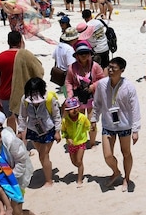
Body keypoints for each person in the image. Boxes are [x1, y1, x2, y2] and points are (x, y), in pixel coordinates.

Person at [91, 56, 141, 191]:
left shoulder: (129, 87)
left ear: (122, 70)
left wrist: (136, 130)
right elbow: (97, 103)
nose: (110, 70)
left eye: (114, 68)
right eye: (109, 67)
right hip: (108, 125)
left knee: (126, 152)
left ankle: (127, 178)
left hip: (124, 125)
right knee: (107, 155)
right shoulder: (102, 84)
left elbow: (135, 108)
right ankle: (116, 171)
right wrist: (94, 119)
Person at [16, 77, 62, 187]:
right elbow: (22, 116)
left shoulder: (50, 99)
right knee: (43, 155)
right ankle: (48, 167)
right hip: (33, 130)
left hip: (48, 130)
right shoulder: (24, 100)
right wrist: (20, 130)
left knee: (42, 155)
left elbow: (56, 115)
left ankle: (48, 180)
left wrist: (57, 131)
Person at [66, 40, 105, 148]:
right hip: (78, 99)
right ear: (76, 55)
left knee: (91, 120)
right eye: (81, 53)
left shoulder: (95, 66)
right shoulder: (72, 68)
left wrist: (93, 86)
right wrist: (70, 95)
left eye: (86, 53)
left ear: (89, 54)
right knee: (79, 121)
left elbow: (102, 79)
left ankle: (92, 143)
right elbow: (68, 82)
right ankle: (82, 140)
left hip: (92, 98)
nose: (83, 56)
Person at [60, 97, 91, 185]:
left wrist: (91, 128)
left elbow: (88, 126)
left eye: (76, 108)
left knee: (79, 161)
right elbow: (63, 131)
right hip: (71, 144)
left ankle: (80, 179)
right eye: (71, 109)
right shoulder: (65, 120)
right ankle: (80, 168)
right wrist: (67, 138)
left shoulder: (83, 118)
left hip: (81, 142)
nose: (74, 110)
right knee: (74, 162)